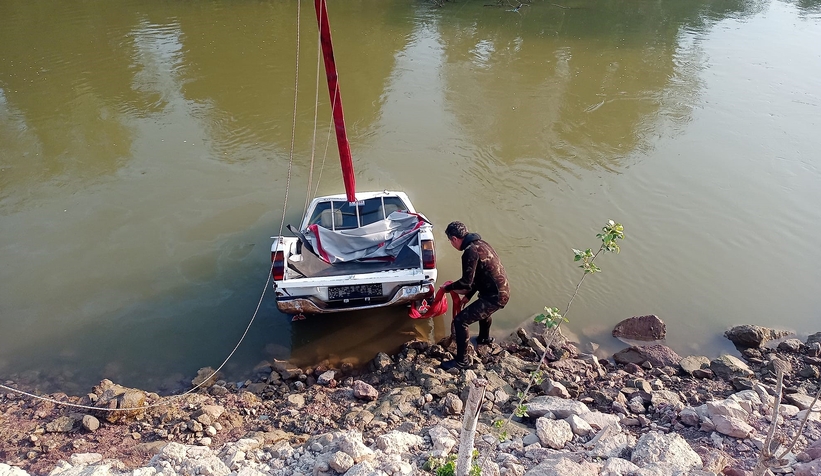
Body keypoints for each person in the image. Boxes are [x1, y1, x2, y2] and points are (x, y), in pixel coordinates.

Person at [440, 221, 510, 370]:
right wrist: (469, 296)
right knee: (483, 311)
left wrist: (447, 288)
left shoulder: (469, 252)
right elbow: (478, 276)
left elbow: (466, 282)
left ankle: (462, 361)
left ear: (454, 239)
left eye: (450, 241)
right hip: (501, 291)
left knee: (461, 321)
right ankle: (484, 339)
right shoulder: (481, 244)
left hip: (494, 296)